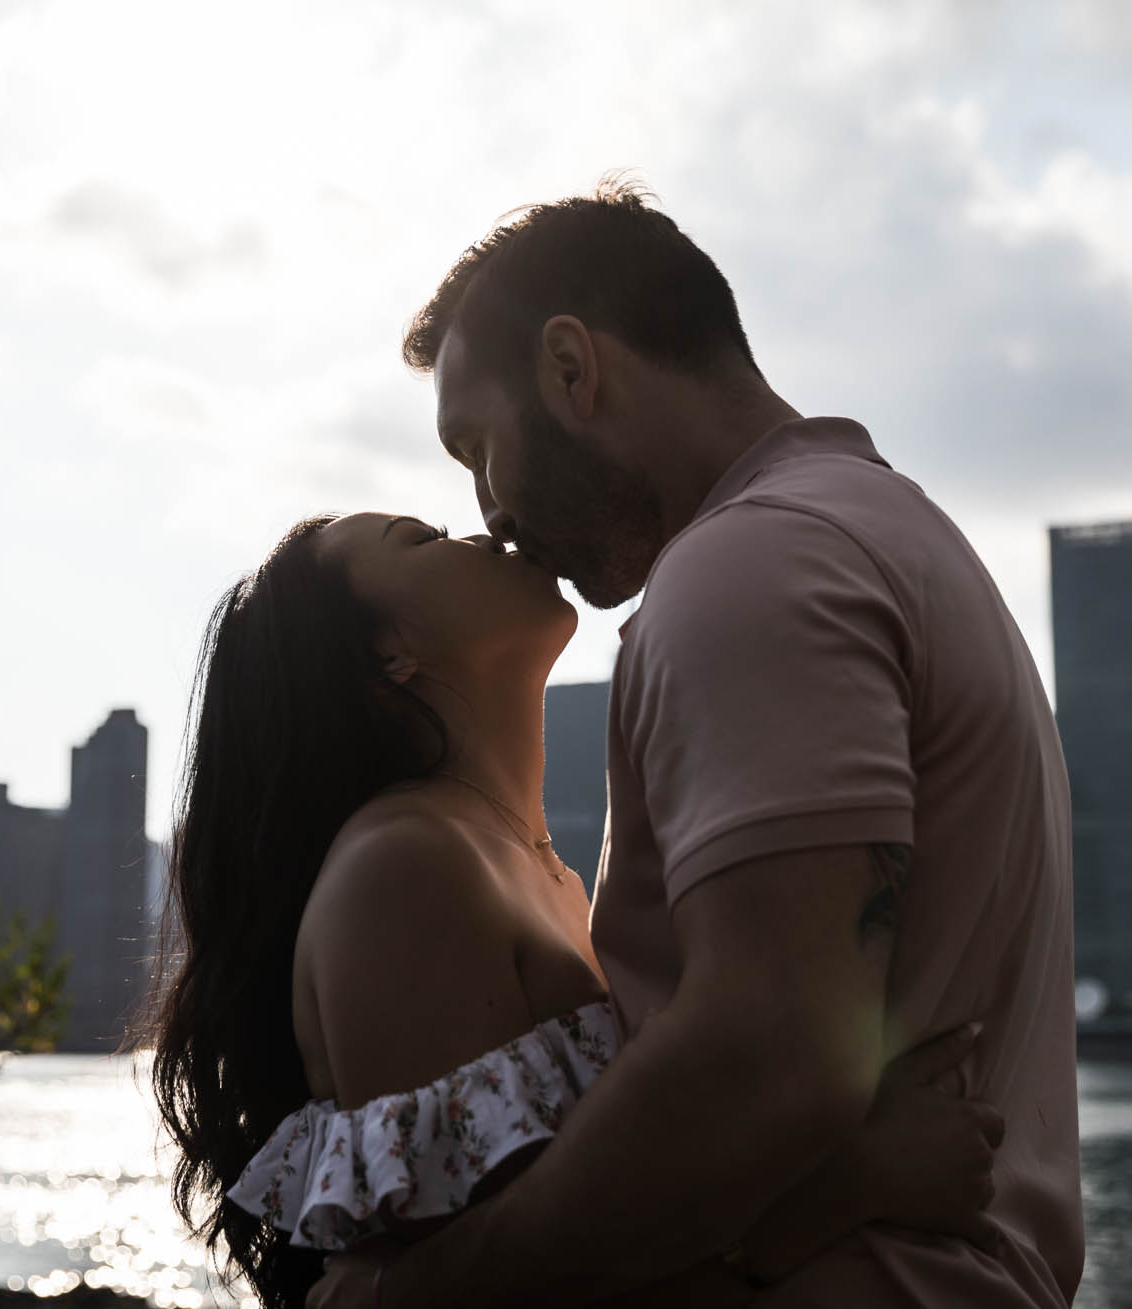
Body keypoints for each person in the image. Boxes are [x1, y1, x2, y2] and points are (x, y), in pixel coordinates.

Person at [310, 181, 1084, 1308]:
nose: (488, 509)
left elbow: (769, 1054)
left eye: (477, 446)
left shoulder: (747, 572)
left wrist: (434, 1290)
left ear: (572, 370)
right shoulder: (883, 532)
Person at [143, 512, 1007, 1309]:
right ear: (390, 653)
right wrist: (848, 1183)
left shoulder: (534, 869)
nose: (481, 532)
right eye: (423, 537)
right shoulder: (404, 865)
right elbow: (497, 1288)